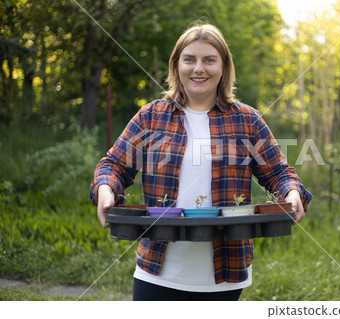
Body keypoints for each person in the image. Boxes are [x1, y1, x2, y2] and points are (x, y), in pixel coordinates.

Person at [90, 24, 312, 301]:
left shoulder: (247, 120)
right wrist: (106, 190)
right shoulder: (151, 117)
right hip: (157, 269)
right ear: (177, 65)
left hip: (225, 274)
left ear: (223, 67)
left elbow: (278, 173)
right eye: (189, 59)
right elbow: (115, 166)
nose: (199, 69)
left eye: (209, 60)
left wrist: (291, 192)